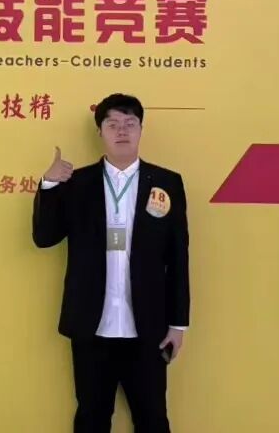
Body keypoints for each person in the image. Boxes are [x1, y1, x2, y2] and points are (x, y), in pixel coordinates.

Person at [32, 93, 190, 433]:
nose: (122, 131)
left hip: (148, 329)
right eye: (113, 124)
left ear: (141, 129)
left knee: (153, 419)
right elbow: (44, 237)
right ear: (100, 132)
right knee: (91, 418)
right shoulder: (77, 183)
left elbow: (178, 256)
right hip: (91, 326)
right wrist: (49, 184)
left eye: (130, 123)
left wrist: (178, 324)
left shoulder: (167, 183)